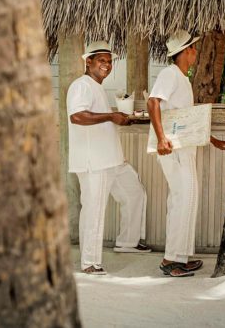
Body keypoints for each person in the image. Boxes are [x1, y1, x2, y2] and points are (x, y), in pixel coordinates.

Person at [148, 30, 225, 277]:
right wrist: (161, 138)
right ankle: (171, 260)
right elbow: (153, 102)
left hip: (183, 148)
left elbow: (186, 119)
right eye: (194, 48)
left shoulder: (182, 79)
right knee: (182, 200)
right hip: (173, 149)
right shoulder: (170, 74)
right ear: (185, 52)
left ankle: (179, 257)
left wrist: (211, 139)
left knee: (186, 200)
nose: (196, 52)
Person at [68, 41, 150, 275]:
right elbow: (77, 116)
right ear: (88, 62)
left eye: (109, 61)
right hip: (94, 162)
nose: (107, 65)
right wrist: (112, 116)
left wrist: (117, 117)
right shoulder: (81, 85)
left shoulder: (96, 87)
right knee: (94, 210)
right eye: (101, 60)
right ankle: (89, 263)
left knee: (134, 193)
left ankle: (128, 242)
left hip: (112, 160)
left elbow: (98, 118)